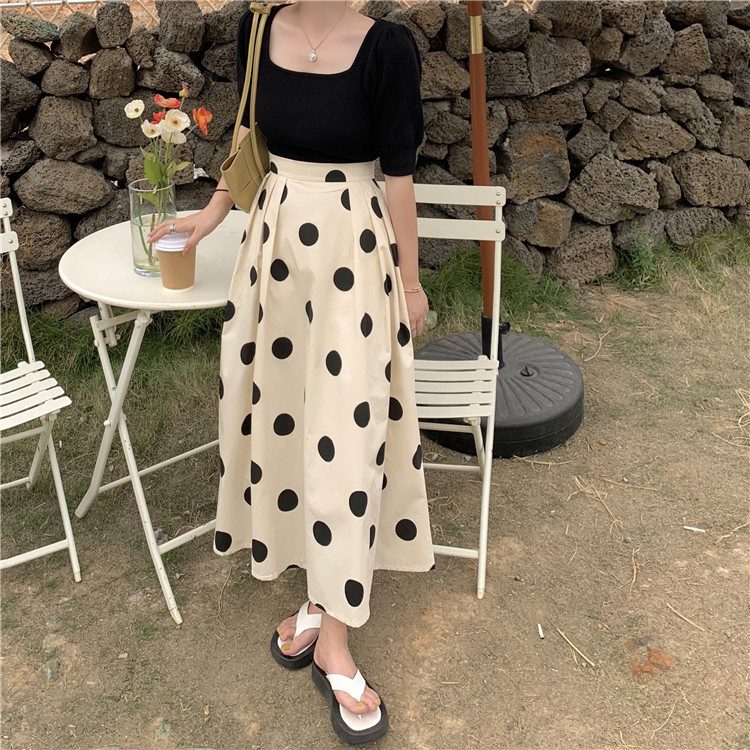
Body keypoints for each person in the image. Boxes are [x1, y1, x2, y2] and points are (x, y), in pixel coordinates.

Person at [148, 0, 435, 743]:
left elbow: (399, 176)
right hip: (274, 251)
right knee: (283, 430)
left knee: (346, 437)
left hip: (352, 253)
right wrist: (209, 217)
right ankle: (316, 594)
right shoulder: (261, 27)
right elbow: (251, 137)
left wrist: (409, 283)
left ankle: (333, 639)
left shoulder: (387, 48)